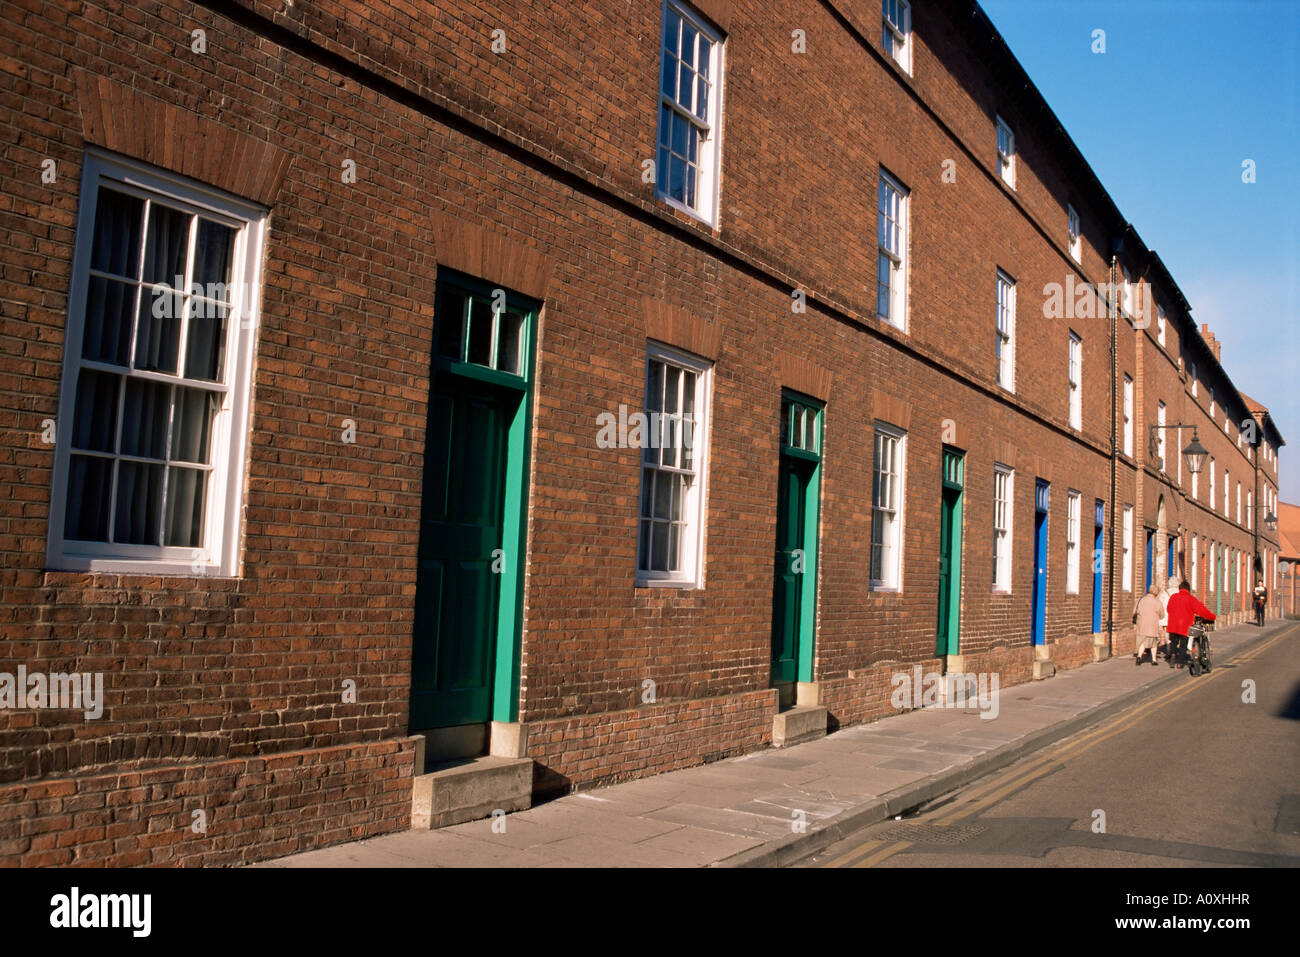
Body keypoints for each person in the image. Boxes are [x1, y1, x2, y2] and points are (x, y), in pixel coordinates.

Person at [1165, 580, 1216, 669]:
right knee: (1183, 645)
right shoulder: (1190, 599)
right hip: (1184, 626)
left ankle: (1173, 656)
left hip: (1173, 625)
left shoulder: (1173, 597)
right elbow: (1201, 610)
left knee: (1173, 642)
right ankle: (1180, 663)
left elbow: (1168, 608)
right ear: (1188, 589)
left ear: (1179, 589)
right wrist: (1212, 617)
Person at [1132, 585, 1165, 666]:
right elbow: (1162, 615)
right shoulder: (1157, 602)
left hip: (1141, 625)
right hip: (1152, 626)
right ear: (1156, 593)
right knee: (1153, 643)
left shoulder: (1140, 600)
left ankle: (1139, 657)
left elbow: (1134, 612)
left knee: (1142, 642)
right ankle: (1154, 660)